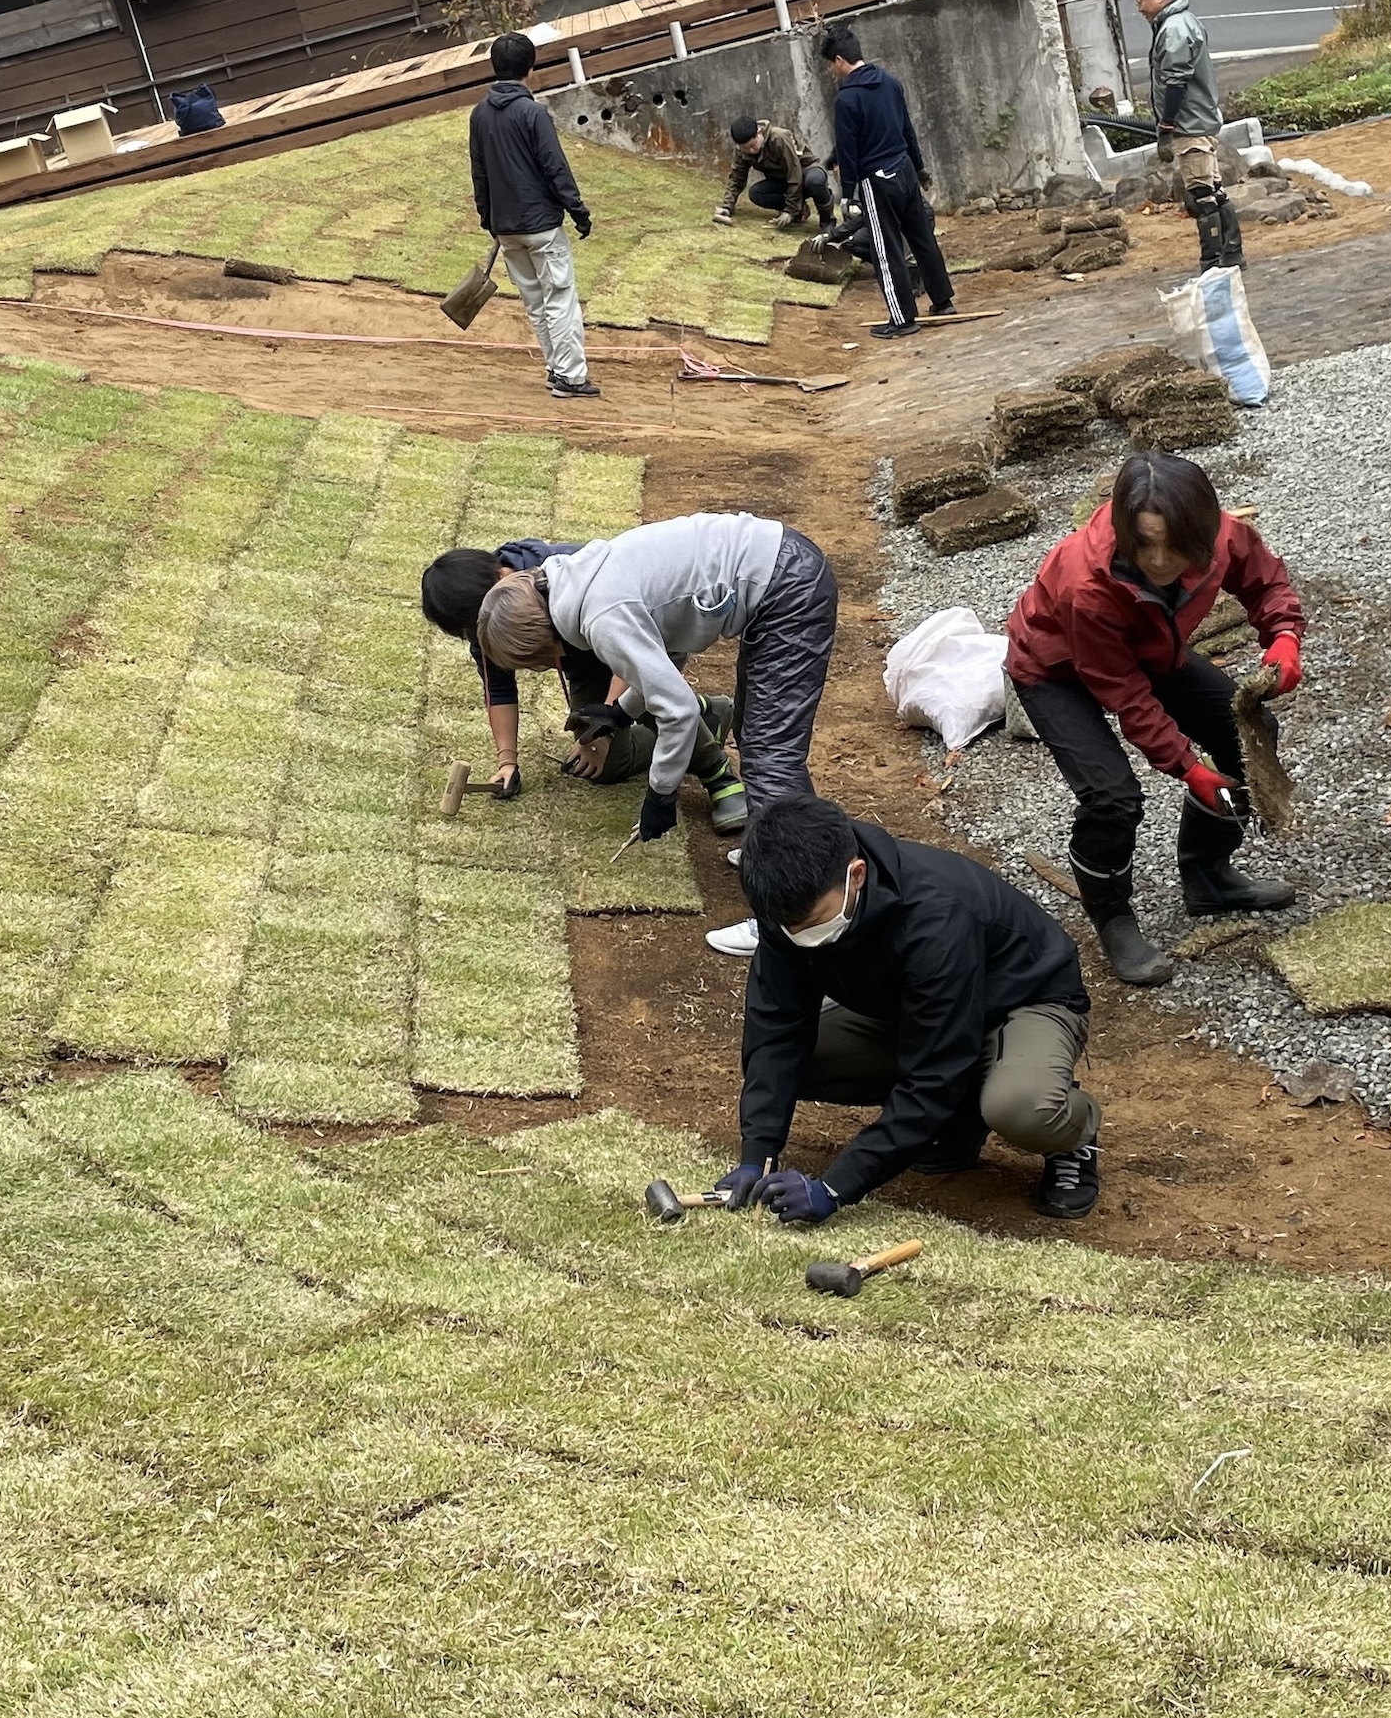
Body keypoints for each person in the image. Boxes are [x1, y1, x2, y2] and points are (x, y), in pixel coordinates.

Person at [712, 794, 1105, 1221]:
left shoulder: (934, 916)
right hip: (914, 1008)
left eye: (814, 923)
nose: (800, 937)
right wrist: (758, 1154)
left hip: (1024, 1000)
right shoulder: (786, 906)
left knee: (1021, 1105)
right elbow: (776, 1030)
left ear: (856, 875)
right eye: (789, 928)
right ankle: (962, 1113)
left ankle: (1071, 1136)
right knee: (795, 1063)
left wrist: (834, 1187)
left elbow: (934, 1075)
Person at [473, 511, 836, 958]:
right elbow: (652, 666)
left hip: (787, 588)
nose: (550, 667)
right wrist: (618, 714)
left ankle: (787, 917)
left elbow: (679, 710)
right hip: (778, 569)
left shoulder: (600, 619)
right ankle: (773, 844)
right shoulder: (574, 582)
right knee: (751, 730)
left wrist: (660, 792)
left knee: (768, 755)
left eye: (540, 663)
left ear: (543, 645)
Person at [1005, 452, 1303, 986]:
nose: (1161, 561)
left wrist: (1283, 636)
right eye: (1145, 544)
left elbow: (1265, 582)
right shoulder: (1087, 585)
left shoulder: (1222, 536)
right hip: (1054, 667)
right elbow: (1127, 695)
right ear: (1124, 530)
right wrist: (1189, 769)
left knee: (1246, 736)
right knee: (1113, 798)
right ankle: (1113, 915)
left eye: (1175, 544)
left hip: (1147, 648)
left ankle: (1208, 875)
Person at [419, 543, 743, 825]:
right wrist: (507, 762)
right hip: (588, 662)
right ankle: (705, 715)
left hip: (640, 635)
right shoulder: (487, 619)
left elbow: (630, 661)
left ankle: (717, 772)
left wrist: (604, 726)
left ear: (502, 577)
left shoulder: (568, 576)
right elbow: (499, 689)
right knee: (605, 768)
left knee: (654, 701)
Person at [467, 31, 597, 400]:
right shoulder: (533, 113)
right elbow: (555, 167)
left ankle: (557, 369)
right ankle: (571, 378)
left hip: (506, 228)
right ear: (530, 67)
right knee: (559, 300)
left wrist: (488, 218)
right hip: (540, 225)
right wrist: (578, 211)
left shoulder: (479, 114)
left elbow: (479, 172)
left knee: (537, 305)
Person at [822, 25, 953, 340]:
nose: (831, 70)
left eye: (830, 64)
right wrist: (919, 168)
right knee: (922, 238)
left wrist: (848, 194)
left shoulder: (847, 100)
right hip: (904, 168)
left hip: (876, 180)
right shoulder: (890, 83)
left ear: (840, 60)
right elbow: (908, 129)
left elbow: (847, 150)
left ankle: (902, 318)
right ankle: (943, 300)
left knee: (886, 249)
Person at [1134, 0, 1238, 272]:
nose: (1139, 8)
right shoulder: (1181, 22)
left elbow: (1175, 81)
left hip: (1189, 122)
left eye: (1141, 0)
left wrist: (1166, 126)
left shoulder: (1175, 29)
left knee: (1202, 195)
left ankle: (1213, 261)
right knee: (1214, 189)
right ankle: (1231, 253)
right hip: (1200, 117)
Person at [715, 115, 838, 230]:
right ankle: (800, 212)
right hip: (782, 179)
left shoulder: (779, 138)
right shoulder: (742, 151)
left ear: (759, 132)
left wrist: (790, 210)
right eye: (745, 148)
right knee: (756, 193)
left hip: (805, 171)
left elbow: (794, 173)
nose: (750, 151)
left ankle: (827, 222)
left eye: (752, 145)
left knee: (815, 181)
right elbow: (737, 178)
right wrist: (727, 206)